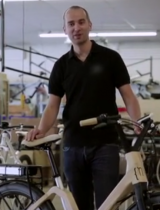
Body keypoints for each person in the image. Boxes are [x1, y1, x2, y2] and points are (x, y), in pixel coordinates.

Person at [26, 5, 141, 210]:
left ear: (89, 25)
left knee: (108, 204)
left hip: (105, 144)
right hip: (73, 145)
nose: (76, 27)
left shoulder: (110, 58)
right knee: (80, 205)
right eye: (71, 24)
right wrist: (41, 129)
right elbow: (52, 105)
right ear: (65, 30)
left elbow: (128, 96)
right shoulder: (61, 66)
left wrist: (137, 121)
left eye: (80, 22)